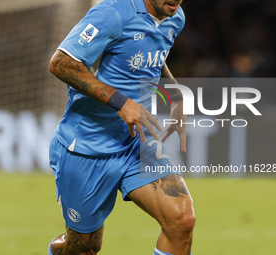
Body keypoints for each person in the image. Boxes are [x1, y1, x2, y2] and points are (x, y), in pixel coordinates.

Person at [48, 0, 195, 254]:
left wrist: (176, 95)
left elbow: (154, 54)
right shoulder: (112, 14)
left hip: (137, 142)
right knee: (84, 248)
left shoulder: (174, 16)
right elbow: (61, 63)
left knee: (181, 220)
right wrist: (121, 102)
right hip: (86, 146)